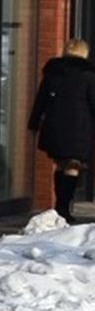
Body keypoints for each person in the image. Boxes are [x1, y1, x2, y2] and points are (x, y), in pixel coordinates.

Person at [28, 37, 95, 223]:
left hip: (54, 127)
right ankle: (64, 206)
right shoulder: (87, 75)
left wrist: (33, 124)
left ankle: (60, 206)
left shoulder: (53, 73)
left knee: (60, 164)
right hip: (78, 128)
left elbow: (40, 101)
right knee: (73, 166)